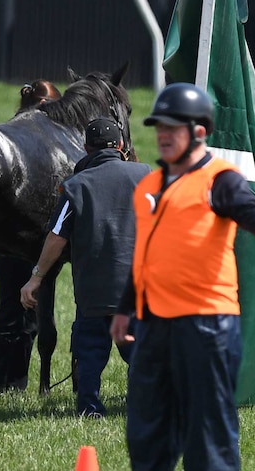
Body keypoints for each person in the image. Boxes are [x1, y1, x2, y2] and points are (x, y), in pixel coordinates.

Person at [109, 83, 255, 471]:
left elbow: (253, 216)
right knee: (147, 433)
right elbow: (145, 258)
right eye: (159, 127)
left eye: (173, 128)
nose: (163, 135)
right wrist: (125, 310)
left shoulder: (220, 180)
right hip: (155, 326)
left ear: (200, 132)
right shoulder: (149, 187)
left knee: (209, 437)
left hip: (208, 327)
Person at [20, 117, 150, 416]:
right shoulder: (146, 176)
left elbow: (56, 237)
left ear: (86, 148)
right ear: (120, 146)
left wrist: (36, 277)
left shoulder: (76, 186)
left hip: (93, 293)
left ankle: (89, 407)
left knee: (90, 353)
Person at [0, 79, 63, 393]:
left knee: (8, 309)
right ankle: (12, 383)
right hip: (26, 240)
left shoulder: (16, 131)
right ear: (45, 107)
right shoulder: (40, 140)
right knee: (24, 314)